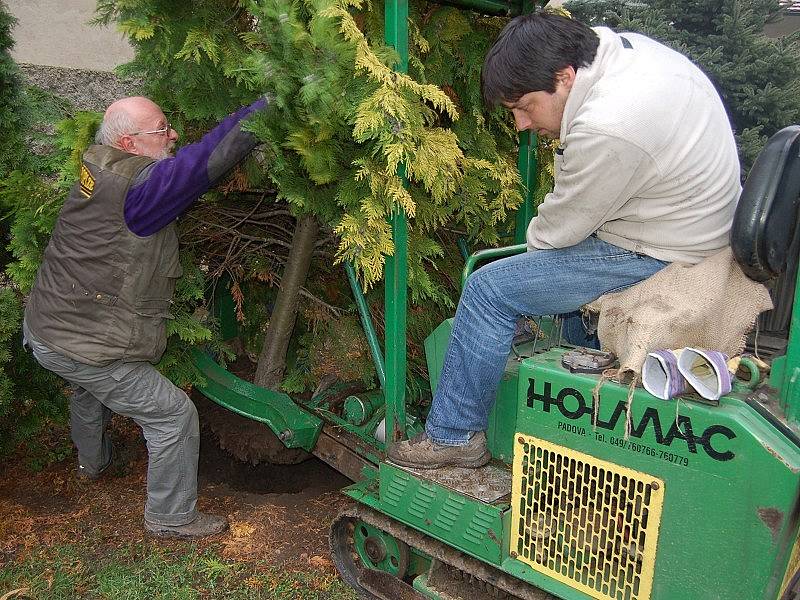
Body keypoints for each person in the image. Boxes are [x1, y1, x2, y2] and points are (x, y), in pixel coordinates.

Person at [387, 13, 741, 469]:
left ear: (564, 77)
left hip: (665, 245)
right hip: (683, 217)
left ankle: (453, 437)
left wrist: (525, 275)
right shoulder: (615, 52)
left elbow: (560, 231)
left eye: (525, 106)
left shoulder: (607, 125)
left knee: (488, 290)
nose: (520, 123)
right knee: (551, 298)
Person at [23, 95, 267, 538]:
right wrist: (266, 105)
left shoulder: (99, 166)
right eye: (162, 129)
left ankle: (93, 464)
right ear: (129, 141)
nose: (173, 135)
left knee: (87, 388)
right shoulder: (139, 192)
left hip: (48, 327)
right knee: (173, 415)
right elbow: (204, 162)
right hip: (84, 343)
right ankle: (171, 517)